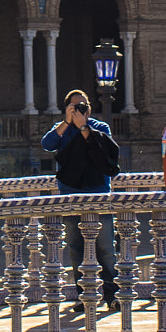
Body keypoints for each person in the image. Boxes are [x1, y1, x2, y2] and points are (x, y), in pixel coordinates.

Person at [41, 88, 119, 311]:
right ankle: (84, 296)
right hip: (71, 196)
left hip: (99, 195)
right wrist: (67, 121)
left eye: (84, 105)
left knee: (105, 248)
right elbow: (47, 144)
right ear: (67, 109)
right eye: (75, 107)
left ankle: (111, 294)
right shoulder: (63, 130)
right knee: (76, 248)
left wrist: (84, 126)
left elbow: (105, 152)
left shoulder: (100, 127)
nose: (80, 110)